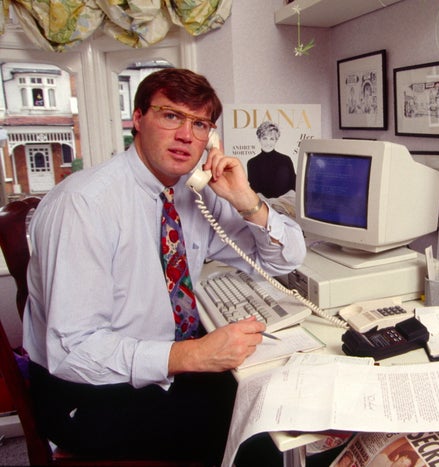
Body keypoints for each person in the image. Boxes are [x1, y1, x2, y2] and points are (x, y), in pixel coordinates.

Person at [22, 68, 306, 466]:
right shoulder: (83, 206)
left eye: (200, 123)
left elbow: (284, 259)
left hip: (160, 367)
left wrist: (245, 200)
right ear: (138, 119)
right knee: (256, 434)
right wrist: (193, 355)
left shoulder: (191, 192)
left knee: (273, 399)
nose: (187, 135)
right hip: (88, 390)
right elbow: (74, 351)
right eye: (171, 116)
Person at [246, 121, 296, 199]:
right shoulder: (252, 163)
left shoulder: (286, 160)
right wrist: (269, 204)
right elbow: (254, 189)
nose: (268, 143)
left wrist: (279, 204)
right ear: (259, 139)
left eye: (271, 139)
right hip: (263, 205)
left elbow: (293, 186)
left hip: (285, 205)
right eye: (265, 138)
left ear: (276, 140)